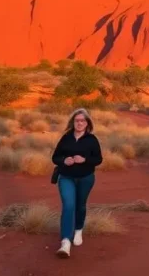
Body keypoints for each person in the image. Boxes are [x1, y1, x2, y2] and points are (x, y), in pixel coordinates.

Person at [51, 108, 103, 258]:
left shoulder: (92, 140)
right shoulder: (66, 138)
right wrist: (63, 160)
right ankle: (65, 242)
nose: (79, 123)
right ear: (73, 122)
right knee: (68, 205)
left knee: (80, 205)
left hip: (86, 178)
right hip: (66, 177)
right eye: (77, 120)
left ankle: (78, 230)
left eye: (82, 121)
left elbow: (99, 159)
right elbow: (55, 157)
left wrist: (85, 160)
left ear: (87, 123)